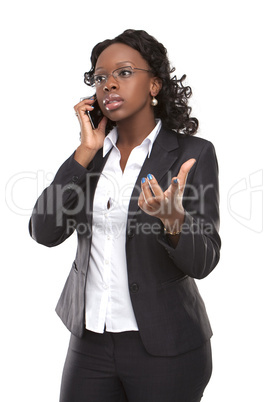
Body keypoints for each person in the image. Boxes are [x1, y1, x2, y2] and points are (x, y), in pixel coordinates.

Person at [29, 29, 221, 402]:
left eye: (125, 72)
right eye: (100, 77)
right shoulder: (92, 157)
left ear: (154, 85)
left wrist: (174, 221)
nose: (109, 83)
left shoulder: (192, 154)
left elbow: (205, 261)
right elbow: (45, 230)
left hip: (166, 347)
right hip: (90, 345)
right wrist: (84, 153)